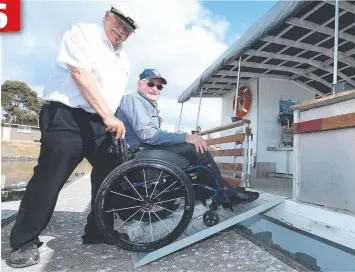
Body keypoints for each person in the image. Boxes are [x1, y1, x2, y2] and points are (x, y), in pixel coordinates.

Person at [8, 4, 139, 268]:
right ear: (107, 16)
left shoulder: (122, 57)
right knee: (50, 177)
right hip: (67, 115)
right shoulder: (83, 33)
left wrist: (113, 119)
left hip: (101, 121)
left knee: (110, 174)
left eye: (128, 29)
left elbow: (112, 95)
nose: (121, 31)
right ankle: (24, 241)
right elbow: (79, 73)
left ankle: (99, 231)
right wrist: (108, 116)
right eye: (119, 23)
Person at [115, 68, 259, 205]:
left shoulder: (145, 103)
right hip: (140, 153)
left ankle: (212, 189)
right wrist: (185, 137)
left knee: (192, 149)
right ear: (139, 84)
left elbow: (152, 134)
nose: (155, 89)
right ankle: (225, 192)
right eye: (151, 84)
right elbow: (148, 134)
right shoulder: (135, 100)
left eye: (159, 87)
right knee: (196, 149)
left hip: (144, 149)